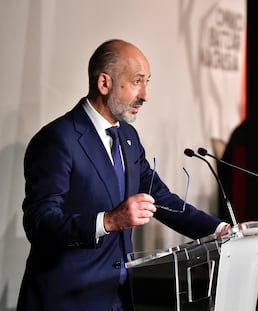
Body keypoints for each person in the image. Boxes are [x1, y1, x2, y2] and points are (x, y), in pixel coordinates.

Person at [16, 39, 230, 311]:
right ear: (104, 83)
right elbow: (40, 224)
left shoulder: (128, 137)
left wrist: (222, 230)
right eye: (137, 81)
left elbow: (160, 199)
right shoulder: (57, 139)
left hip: (117, 299)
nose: (146, 95)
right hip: (68, 300)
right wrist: (108, 221)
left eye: (148, 82)